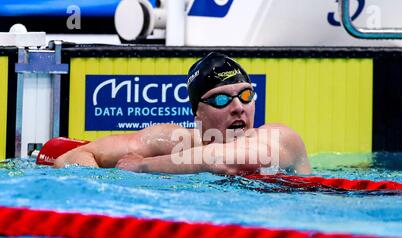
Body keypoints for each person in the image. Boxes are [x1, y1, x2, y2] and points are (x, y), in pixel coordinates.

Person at [54, 52, 311, 175]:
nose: (238, 107)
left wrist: (144, 166)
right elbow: (73, 156)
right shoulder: (173, 140)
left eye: (245, 95)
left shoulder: (279, 138)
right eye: (222, 99)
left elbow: (227, 161)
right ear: (198, 114)